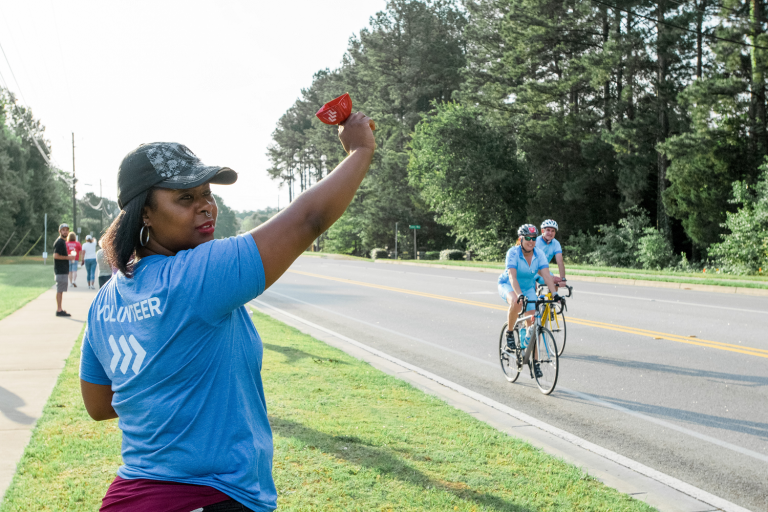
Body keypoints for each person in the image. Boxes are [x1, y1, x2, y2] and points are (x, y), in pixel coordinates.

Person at [79, 114, 374, 512]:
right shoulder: (197, 276)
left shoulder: (106, 299)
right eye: (186, 198)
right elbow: (308, 219)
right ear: (144, 213)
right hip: (210, 497)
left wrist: (166, 385)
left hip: (130, 497)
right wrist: (360, 150)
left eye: (207, 194)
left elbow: (99, 405)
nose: (206, 208)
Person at [497, 224, 560, 377]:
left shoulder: (539, 254)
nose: (531, 241)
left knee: (534, 326)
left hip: (528, 288)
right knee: (516, 303)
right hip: (509, 285)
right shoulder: (513, 252)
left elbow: (546, 275)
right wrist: (519, 294)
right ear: (521, 239)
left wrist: (555, 295)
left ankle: (535, 362)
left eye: (533, 239)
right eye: (528, 239)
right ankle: (510, 333)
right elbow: (512, 277)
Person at [534, 219, 568, 289]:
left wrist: (563, 279)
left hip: (544, 271)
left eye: (553, 231)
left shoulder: (556, 243)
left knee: (555, 283)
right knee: (532, 289)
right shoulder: (535, 242)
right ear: (542, 231)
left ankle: (552, 298)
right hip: (531, 271)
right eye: (548, 230)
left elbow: (560, 262)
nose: (550, 233)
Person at [53, 223, 77, 316]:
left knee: (61, 290)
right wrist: (68, 257)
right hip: (60, 270)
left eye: (67, 230)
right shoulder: (59, 242)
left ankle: (60, 309)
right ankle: (59, 310)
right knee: (60, 290)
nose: (65, 231)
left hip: (63, 270)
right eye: (63, 230)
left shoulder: (63, 242)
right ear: (60, 231)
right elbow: (56, 256)